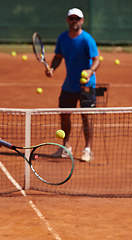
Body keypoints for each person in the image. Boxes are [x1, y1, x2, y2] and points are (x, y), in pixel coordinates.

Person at [46, 8, 100, 162]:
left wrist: (90, 71)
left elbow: (97, 60)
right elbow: (58, 57)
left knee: (87, 117)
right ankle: (65, 148)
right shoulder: (62, 38)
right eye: (72, 18)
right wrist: (52, 68)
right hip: (69, 84)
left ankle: (88, 149)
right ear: (68, 20)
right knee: (64, 115)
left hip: (86, 85)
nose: (74, 21)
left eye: (77, 18)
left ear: (81, 21)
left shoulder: (87, 39)